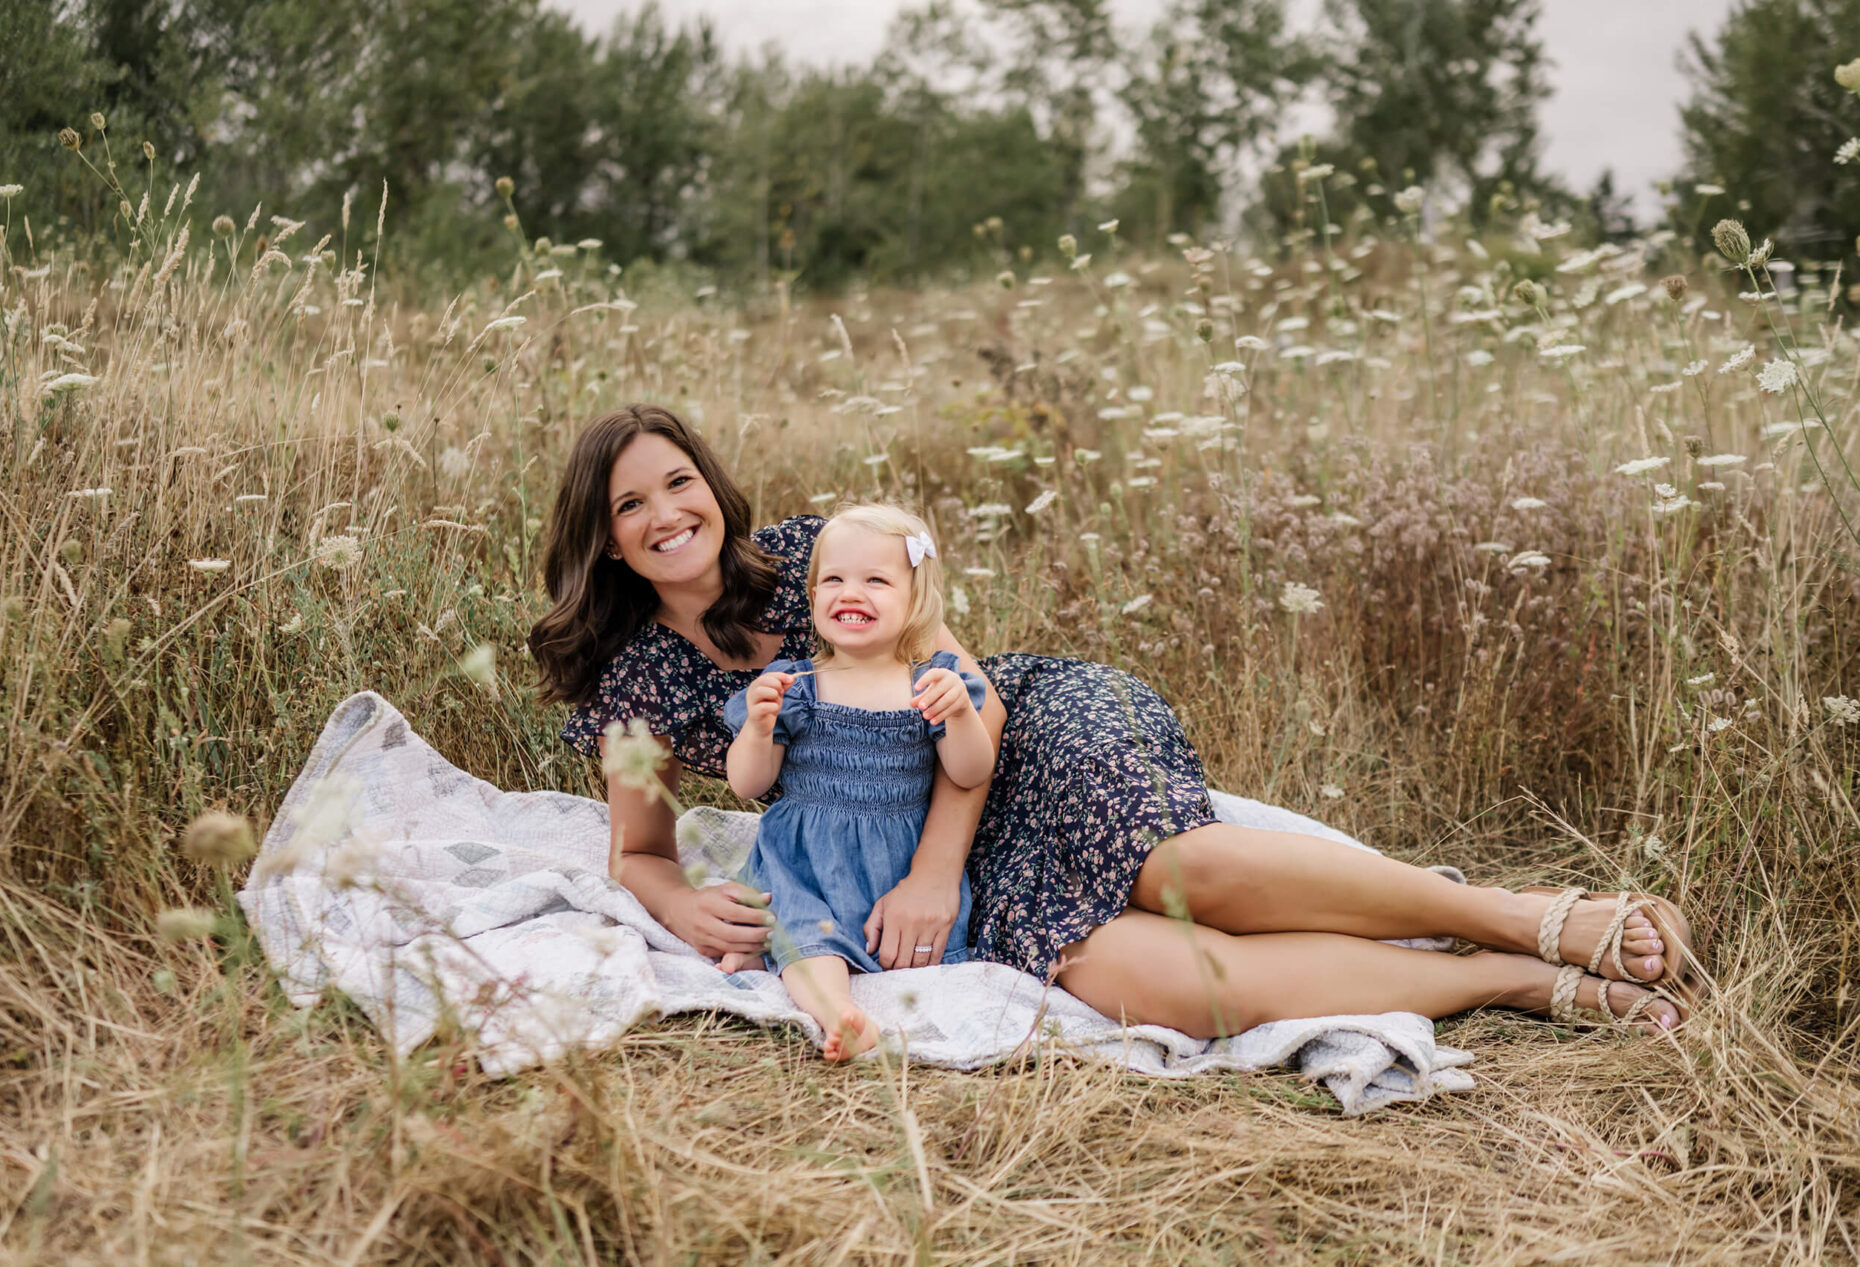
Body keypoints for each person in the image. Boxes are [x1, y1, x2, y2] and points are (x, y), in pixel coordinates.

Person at [527, 403, 1695, 1039]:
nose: (665, 512)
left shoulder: (813, 557)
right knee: (1192, 990)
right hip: (915, 841)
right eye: (631, 503)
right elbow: (636, 849)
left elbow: (963, 694)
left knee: (1179, 869)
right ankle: (1511, 981)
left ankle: (1529, 915)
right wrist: (687, 901)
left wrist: (935, 874)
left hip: (1018, 733)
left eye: (677, 481)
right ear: (606, 538)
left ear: (711, 483)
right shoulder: (640, 683)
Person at [719, 503, 993, 1059]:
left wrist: (961, 715)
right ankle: (836, 1012)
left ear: (915, 600)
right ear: (814, 596)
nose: (851, 592)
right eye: (834, 579)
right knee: (802, 928)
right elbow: (748, 784)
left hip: (895, 864)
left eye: (876, 580)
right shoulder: (794, 684)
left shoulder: (933, 681)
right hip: (806, 862)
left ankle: (792, 961)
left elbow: (971, 772)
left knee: (898, 944)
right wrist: (757, 727)